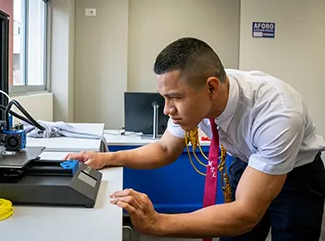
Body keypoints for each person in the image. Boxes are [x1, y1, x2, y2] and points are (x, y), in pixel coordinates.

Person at [65, 37, 325, 240]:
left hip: (297, 176)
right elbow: (166, 149)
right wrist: (106, 158)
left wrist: (158, 222)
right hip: (245, 160)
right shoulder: (199, 92)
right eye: (165, 97)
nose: (167, 109)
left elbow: (246, 213)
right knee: (236, 238)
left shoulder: (277, 113)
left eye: (175, 98)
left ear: (212, 87)